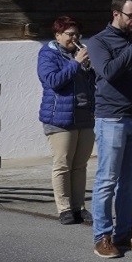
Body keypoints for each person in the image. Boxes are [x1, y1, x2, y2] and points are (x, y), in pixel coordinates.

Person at [86, 0, 132, 258]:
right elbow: (108, 72)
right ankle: (102, 236)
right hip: (112, 118)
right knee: (107, 180)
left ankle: (125, 232)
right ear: (116, 14)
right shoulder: (98, 42)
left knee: (130, 181)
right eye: (131, 16)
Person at [37, 16, 95, 225]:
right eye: (70, 34)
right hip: (59, 119)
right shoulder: (48, 54)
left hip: (83, 116)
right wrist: (76, 63)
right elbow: (53, 81)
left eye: (77, 34)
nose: (74, 38)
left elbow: (91, 84)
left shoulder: (77, 55)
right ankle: (64, 209)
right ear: (57, 35)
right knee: (62, 164)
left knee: (80, 165)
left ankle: (79, 207)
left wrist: (90, 67)